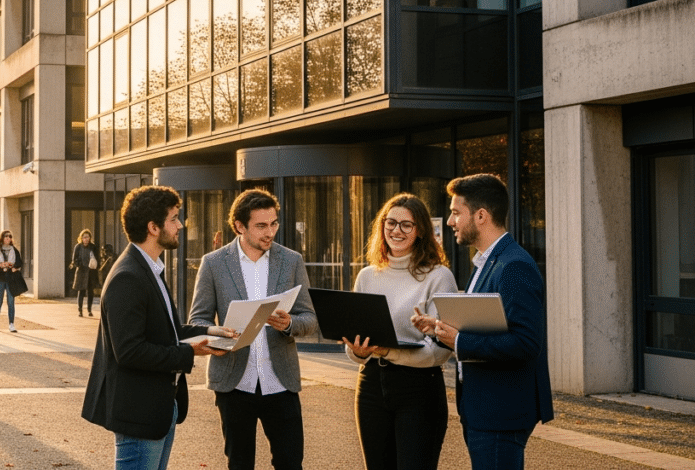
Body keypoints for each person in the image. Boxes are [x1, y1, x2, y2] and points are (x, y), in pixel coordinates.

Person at [82, 185, 234, 470]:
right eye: (174, 218)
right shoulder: (128, 276)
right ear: (153, 227)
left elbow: (168, 330)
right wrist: (190, 353)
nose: (180, 225)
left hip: (159, 406)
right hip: (139, 412)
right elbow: (129, 351)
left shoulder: (149, 268)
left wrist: (212, 332)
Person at [411, 174, 553, 470]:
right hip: (482, 408)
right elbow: (483, 325)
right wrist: (438, 329)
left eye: (455, 212)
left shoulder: (513, 266)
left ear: (481, 216)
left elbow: (527, 343)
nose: (450, 221)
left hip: (500, 412)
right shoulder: (486, 262)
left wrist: (459, 342)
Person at [188, 188, 318, 470]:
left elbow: (310, 318)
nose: (269, 232)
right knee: (240, 464)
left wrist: (289, 324)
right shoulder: (213, 263)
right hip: (234, 382)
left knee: (290, 463)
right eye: (261, 226)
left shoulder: (291, 260)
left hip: (281, 382)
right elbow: (197, 321)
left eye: (273, 224)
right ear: (239, 226)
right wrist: (220, 334)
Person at [342, 193, 458, 470]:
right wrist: (357, 352)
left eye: (407, 225)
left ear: (420, 231)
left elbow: (440, 352)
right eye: (390, 223)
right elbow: (355, 344)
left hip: (418, 389)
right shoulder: (367, 276)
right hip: (370, 385)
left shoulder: (438, 276)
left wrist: (388, 351)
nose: (396, 230)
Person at [0, 230, 26, 332]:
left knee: (11, 302)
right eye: (6, 236)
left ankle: (11, 324)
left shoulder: (14, 250)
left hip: (11, 279)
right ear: (2, 238)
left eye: (10, 236)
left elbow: (20, 263)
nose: (8, 238)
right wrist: (0, 265)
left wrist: (13, 266)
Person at [70, 229, 100, 317]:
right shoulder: (78, 247)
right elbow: (74, 259)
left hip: (91, 272)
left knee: (90, 292)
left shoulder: (93, 247)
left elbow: (97, 258)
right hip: (81, 271)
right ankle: (80, 310)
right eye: (84, 237)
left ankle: (89, 310)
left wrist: (95, 265)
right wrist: (78, 264)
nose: (86, 239)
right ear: (81, 238)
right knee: (81, 291)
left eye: (88, 237)